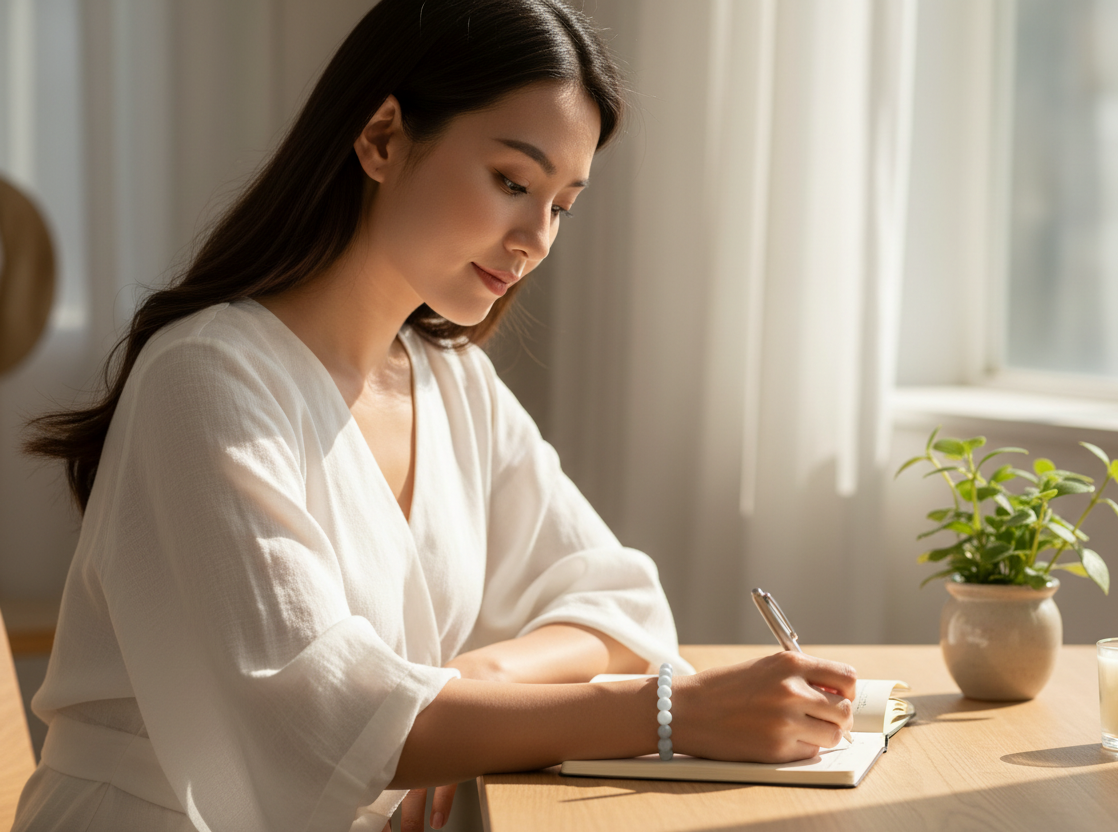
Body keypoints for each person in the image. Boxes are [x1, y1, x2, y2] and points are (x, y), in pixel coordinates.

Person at [15, 1, 857, 830]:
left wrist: (463, 682)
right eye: (512, 182)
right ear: (382, 138)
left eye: (561, 204)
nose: (536, 239)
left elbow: (622, 606)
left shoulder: (451, 380)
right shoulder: (205, 382)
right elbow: (326, 717)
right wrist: (670, 713)